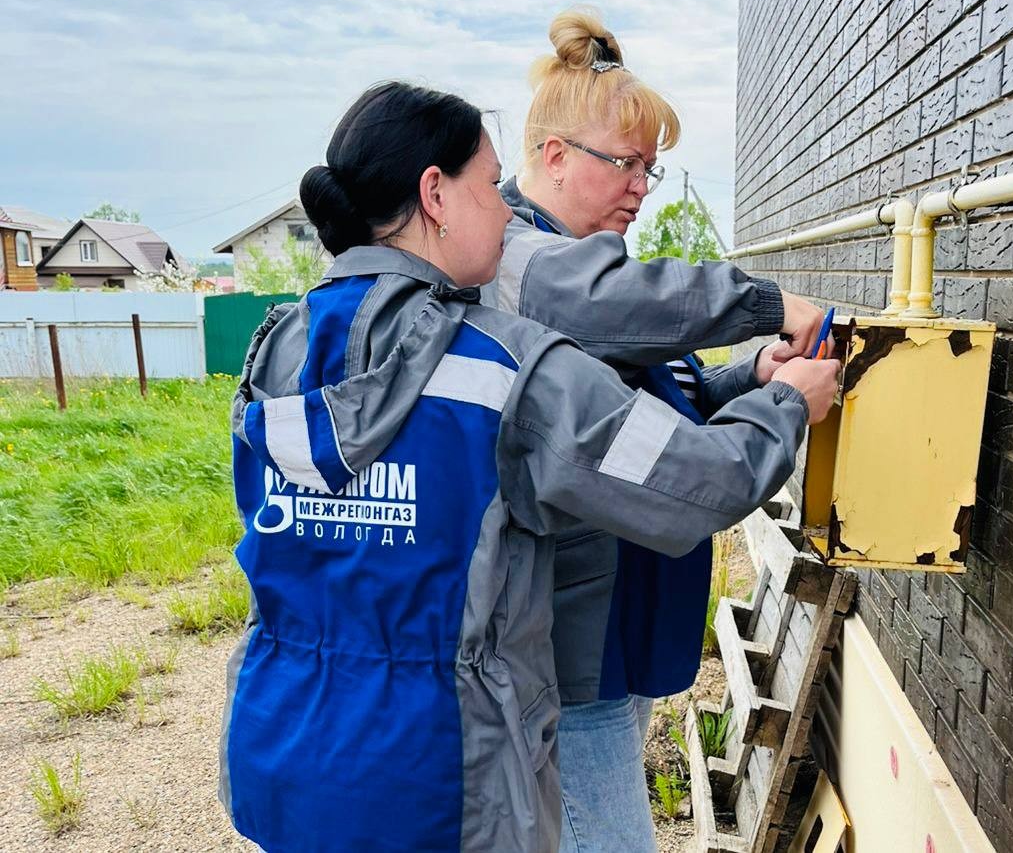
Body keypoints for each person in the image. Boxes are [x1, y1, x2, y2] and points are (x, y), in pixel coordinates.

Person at [218, 80, 841, 853]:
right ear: (435, 195)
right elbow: (697, 484)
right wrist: (787, 405)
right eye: (488, 185)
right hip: (444, 775)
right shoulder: (505, 368)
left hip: (287, 746)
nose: (507, 209)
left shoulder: (275, 349)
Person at [484, 8, 820, 851]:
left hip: (619, 620)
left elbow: (652, 401)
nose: (641, 185)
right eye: (625, 163)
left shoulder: (578, 258)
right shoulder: (521, 260)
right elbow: (617, 309)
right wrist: (771, 306)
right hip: (570, 638)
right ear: (552, 157)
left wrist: (753, 376)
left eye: (651, 167)